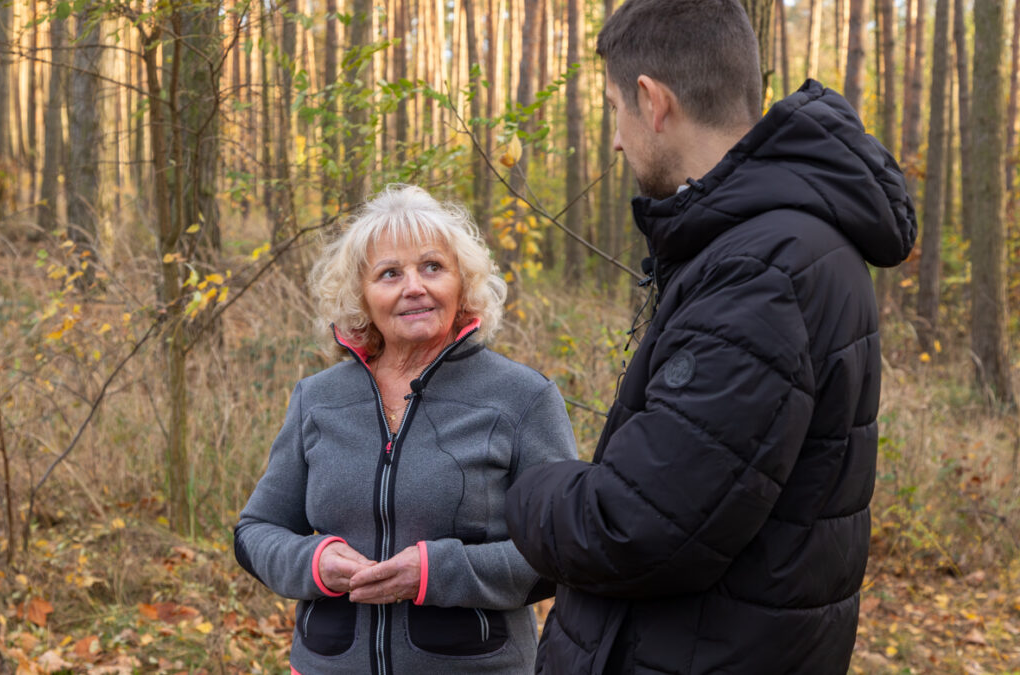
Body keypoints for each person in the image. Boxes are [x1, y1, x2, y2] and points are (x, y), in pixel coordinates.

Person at [504, 1, 917, 673]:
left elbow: (638, 526)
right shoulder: (774, 243)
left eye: (614, 109)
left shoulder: (760, 270)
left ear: (651, 101)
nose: (615, 139)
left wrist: (525, 485)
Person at [233, 184, 577, 675]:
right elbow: (255, 532)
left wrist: (437, 573)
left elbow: (563, 550)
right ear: (362, 297)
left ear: (462, 283)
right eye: (389, 273)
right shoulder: (317, 398)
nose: (413, 286)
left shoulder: (522, 398)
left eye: (432, 267)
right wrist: (315, 561)